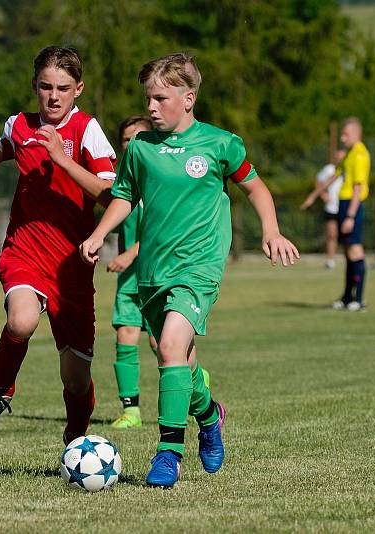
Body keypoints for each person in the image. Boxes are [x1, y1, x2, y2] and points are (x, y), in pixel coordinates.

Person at [80, 53, 299, 488]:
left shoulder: (221, 144)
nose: (152, 107)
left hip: (198, 267)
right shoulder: (140, 150)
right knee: (179, 360)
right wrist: (100, 233)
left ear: (189, 97)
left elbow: (255, 187)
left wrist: (271, 231)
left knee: (169, 348)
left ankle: (169, 453)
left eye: (161, 98)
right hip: (152, 273)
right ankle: (209, 414)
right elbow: (123, 197)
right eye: (149, 98)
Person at [0, 46, 117, 445]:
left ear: (79, 89)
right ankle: (2, 390)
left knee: (75, 378)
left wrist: (63, 159)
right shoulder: (20, 125)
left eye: (62, 87)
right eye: (45, 87)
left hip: (71, 267)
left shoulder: (87, 130)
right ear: (34, 86)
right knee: (21, 321)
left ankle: (76, 436)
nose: (53, 96)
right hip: (24, 251)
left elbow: (111, 196)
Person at [301, 118, 370, 311]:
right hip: (344, 204)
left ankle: (359, 299)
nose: (342, 138)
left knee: (356, 251)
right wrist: (313, 196)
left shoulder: (360, 155)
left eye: (345, 134)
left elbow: (358, 187)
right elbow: (334, 176)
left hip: (352, 206)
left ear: (356, 134)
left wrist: (350, 215)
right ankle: (348, 297)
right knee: (348, 252)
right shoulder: (349, 155)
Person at [302, 150, 345, 269]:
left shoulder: (348, 170)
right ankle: (330, 260)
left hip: (344, 206)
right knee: (332, 234)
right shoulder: (330, 169)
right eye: (338, 157)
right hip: (332, 207)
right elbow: (319, 182)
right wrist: (322, 195)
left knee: (345, 235)